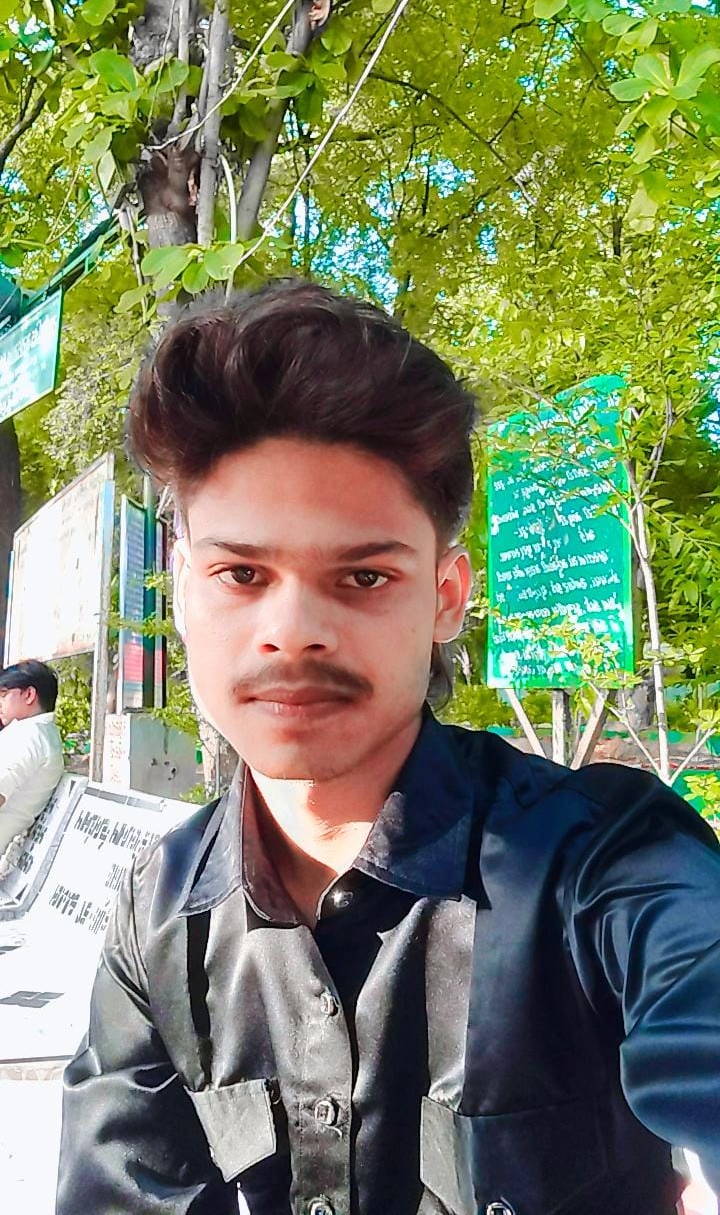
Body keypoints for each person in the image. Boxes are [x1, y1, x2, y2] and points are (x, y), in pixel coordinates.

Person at [56, 281, 720, 1215]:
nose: (292, 631)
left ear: (446, 598)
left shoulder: (605, 864)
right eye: (241, 573)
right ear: (183, 589)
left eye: (364, 576)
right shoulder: (155, 917)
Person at [0, 658, 64, 856]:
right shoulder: (38, 732)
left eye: (4, 695)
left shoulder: (31, 736)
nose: (0, 703)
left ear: (29, 695)